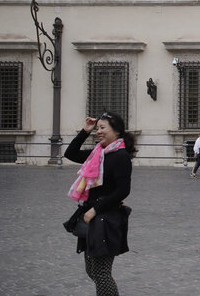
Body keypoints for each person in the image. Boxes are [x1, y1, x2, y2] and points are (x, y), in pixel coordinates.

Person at [64, 112, 135, 296]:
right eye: (97, 128)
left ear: (117, 131)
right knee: (92, 271)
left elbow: (123, 190)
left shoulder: (120, 156)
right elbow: (70, 153)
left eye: (103, 128)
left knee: (102, 273)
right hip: (92, 217)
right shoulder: (98, 154)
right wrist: (84, 131)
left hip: (106, 218)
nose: (99, 132)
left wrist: (96, 209)